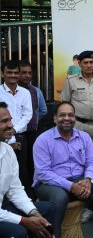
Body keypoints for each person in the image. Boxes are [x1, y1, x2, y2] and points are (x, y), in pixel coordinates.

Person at [33, 102, 93, 238]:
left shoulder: (84, 137)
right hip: (49, 183)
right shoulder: (43, 140)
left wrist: (88, 179)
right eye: (62, 115)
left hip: (79, 178)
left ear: (75, 118)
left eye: (70, 115)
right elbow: (43, 173)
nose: (67, 118)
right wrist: (71, 186)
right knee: (60, 197)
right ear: (55, 118)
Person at [0, 102, 55, 238]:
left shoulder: (7, 150)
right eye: (4, 121)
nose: (11, 125)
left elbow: (15, 190)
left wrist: (34, 214)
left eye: (10, 120)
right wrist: (25, 221)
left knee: (47, 211)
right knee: (19, 231)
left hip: (1, 208)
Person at [0, 60, 33, 196]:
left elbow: (28, 114)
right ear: (2, 74)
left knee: (21, 172)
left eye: (15, 72)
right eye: (9, 72)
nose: (12, 75)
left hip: (20, 137)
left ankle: (23, 204)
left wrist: (13, 130)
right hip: (1, 138)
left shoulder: (25, 92)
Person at [60, 50, 93, 143]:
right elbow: (65, 104)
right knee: (76, 153)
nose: (89, 65)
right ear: (79, 64)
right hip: (78, 125)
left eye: (91, 62)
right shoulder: (71, 81)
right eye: (86, 62)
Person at [18, 60, 48, 197]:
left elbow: (42, 110)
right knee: (20, 166)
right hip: (16, 134)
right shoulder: (11, 91)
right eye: (23, 72)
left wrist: (33, 120)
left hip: (33, 133)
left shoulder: (36, 91)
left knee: (33, 163)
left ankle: (33, 192)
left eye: (29, 73)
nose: (27, 75)